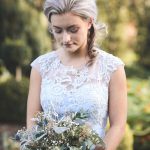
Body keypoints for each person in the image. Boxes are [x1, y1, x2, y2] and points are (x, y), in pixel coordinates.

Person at [26, 0, 127, 149]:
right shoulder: (40, 67)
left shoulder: (112, 67)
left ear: (89, 22)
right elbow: (32, 122)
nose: (65, 39)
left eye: (73, 29)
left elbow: (118, 125)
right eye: (58, 30)